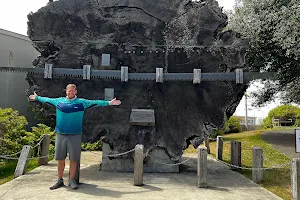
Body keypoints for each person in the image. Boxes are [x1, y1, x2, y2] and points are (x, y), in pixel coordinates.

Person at [28, 84, 121, 190]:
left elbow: (95, 102)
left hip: (75, 135)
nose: (70, 93)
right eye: (68, 91)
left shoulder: (81, 103)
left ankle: (72, 180)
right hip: (61, 134)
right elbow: (47, 100)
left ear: (75, 92)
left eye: (72, 91)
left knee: (73, 159)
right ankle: (59, 180)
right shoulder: (59, 101)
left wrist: (109, 103)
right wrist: (37, 98)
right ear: (66, 91)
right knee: (60, 158)